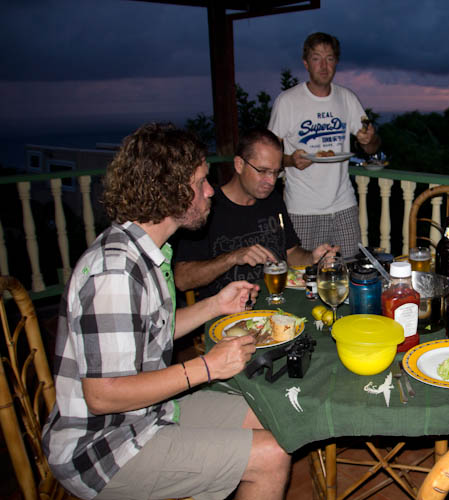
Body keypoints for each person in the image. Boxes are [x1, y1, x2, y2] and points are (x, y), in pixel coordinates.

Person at [42, 123, 290, 500]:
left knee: (267, 411)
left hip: (148, 414)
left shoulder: (147, 253)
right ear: (172, 191)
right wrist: (208, 367)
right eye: (202, 181)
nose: (210, 191)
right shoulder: (116, 272)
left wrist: (215, 305)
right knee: (272, 456)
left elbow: (150, 333)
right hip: (102, 447)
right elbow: (103, 396)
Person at [173, 128, 338, 299]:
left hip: (277, 302)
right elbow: (182, 279)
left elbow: (290, 253)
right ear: (239, 164)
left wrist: (312, 257)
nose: (271, 181)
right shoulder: (206, 207)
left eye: (275, 172)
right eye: (263, 171)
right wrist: (232, 258)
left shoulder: (272, 200)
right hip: (227, 313)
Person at [268, 32, 381, 259]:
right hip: (302, 208)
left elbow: (372, 148)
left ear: (336, 62)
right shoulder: (288, 101)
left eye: (329, 58)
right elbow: (269, 155)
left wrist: (370, 139)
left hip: (343, 205)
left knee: (349, 270)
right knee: (305, 275)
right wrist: (290, 160)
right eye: (317, 58)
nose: (323, 65)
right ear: (306, 62)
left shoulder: (346, 98)